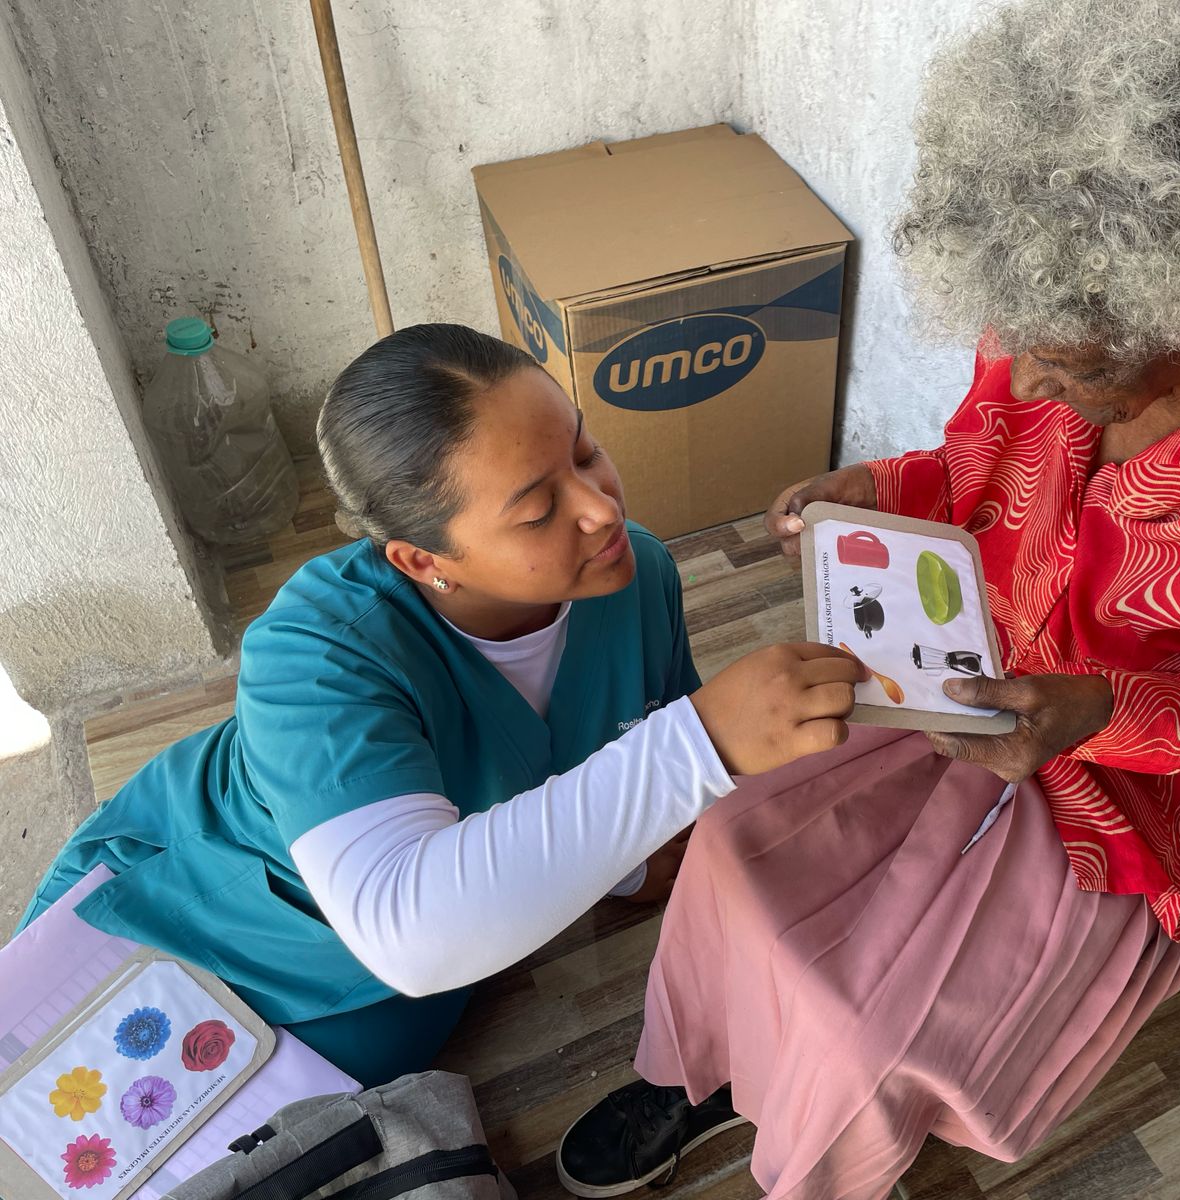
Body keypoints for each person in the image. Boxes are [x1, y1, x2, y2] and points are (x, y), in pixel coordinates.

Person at [555, 0, 1180, 1196]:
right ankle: (701, 1066)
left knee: (865, 1034)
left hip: (1152, 788)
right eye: (1018, 340)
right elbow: (985, 462)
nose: (1027, 378)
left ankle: (819, 1144)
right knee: (730, 842)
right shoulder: (1061, 271)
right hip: (978, 651)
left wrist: (1099, 712)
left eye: (1071, 364)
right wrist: (879, 490)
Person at [17, 324, 863, 1086]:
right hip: (204, 916)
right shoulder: (316, 651)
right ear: (423, 561)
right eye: (539, 510)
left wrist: (632, 858)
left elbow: (625, 750)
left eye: (586, 450)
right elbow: (412, 928)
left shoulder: (632, 577)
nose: (601, 508)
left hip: (437, 953)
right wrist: (698, 743)